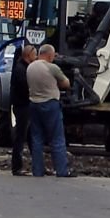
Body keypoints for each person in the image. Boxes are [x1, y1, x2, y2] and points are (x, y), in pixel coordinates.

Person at [26, 44, 76, 178]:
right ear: (49, 55)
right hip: (50, 104)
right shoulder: (52, 67)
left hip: (34, 103)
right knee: (57, 139)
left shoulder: (31, 67)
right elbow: (66, 84)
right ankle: (61, 170)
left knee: (36, 139)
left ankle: (37, 171)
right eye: (53, 55)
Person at [10, 44, 37, 176]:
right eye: (34, 54)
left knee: (31, 137)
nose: (36, 57)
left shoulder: (24, 67)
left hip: (25, 105)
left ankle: (37, 165)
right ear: (28, 55)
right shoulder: (21, 69)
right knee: (21, 136)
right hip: (22, 106)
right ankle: (17, 167)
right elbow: (24, 87)